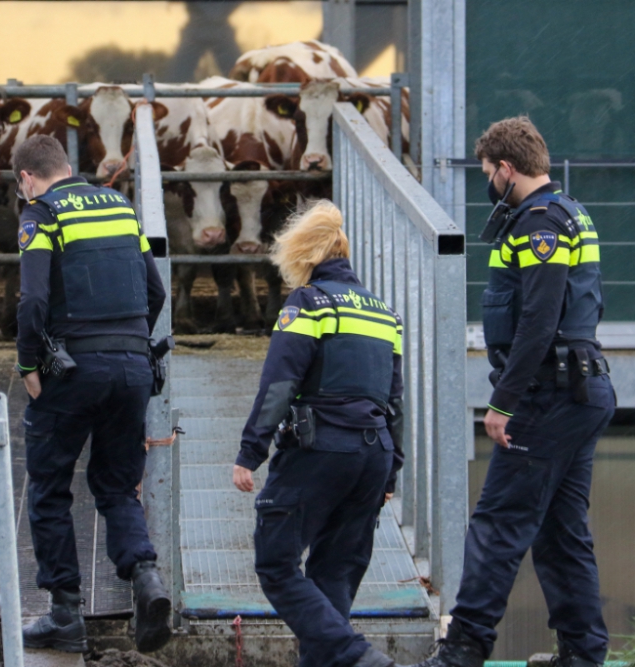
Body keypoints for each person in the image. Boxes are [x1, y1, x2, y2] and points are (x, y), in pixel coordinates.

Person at [411, 117, 614, 667]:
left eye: (487, 173)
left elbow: (540, 320)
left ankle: (463, 649)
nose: (487, 184)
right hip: (581, 389)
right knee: (559, 530)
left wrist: (503, 401)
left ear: (506, 168)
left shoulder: (539, 223)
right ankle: (583, 652)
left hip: (549, 395)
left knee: (498, 523)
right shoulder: (571, 211)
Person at [13, 135, 170, 653]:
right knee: (117, 485)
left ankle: (63, 614)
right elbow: (156, 292)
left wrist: (28, 364)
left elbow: (34, 297)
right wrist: (127, 344)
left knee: (51, 487)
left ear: (26, 178)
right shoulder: (121, 206)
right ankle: (145, 578)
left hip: (72, 370)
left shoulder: (41, 214)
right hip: (132, 367)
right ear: (67, 166)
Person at [233, 201, 404, 667]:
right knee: (334, 577)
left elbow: (281, 383)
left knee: (276, 564)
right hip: (374, 455)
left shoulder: (308, 302)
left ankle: (355, 656)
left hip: (319, 449)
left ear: (303, 258)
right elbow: (395, 400)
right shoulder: (384, 314)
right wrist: (392, 471)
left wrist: (251, 451)